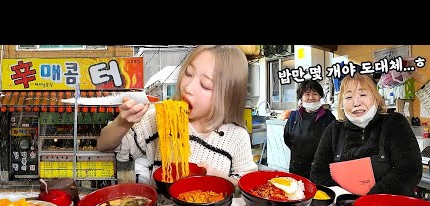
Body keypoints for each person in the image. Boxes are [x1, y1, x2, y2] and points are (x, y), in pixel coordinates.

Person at [97, 45, 258, 187]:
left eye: (205, 85)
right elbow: (104, 144)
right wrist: (123, 122)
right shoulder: (158, 119)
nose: (188, 87)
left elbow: (247, 187)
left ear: (227, 97)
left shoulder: (237, 137)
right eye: (188, 73)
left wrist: (218, 178)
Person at [310, 72, 422, 196]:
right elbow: (318, 173)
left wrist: (368, 201)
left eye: (363, 94)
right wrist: (344, 198)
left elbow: (410, 170)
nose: (356, 102)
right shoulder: (334, 129)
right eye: (348, 97)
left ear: (376, 98)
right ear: (341, 104)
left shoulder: (394, 122)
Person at [283, 79, 335, 178]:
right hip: (297, 167)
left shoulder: (329, 117)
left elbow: (333, 143)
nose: (311, 98)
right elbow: (287, 139)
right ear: (301, 97)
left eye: (315, 94)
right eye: (307, 94)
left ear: (320, 96)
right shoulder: (294, 116)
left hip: (321, 168)